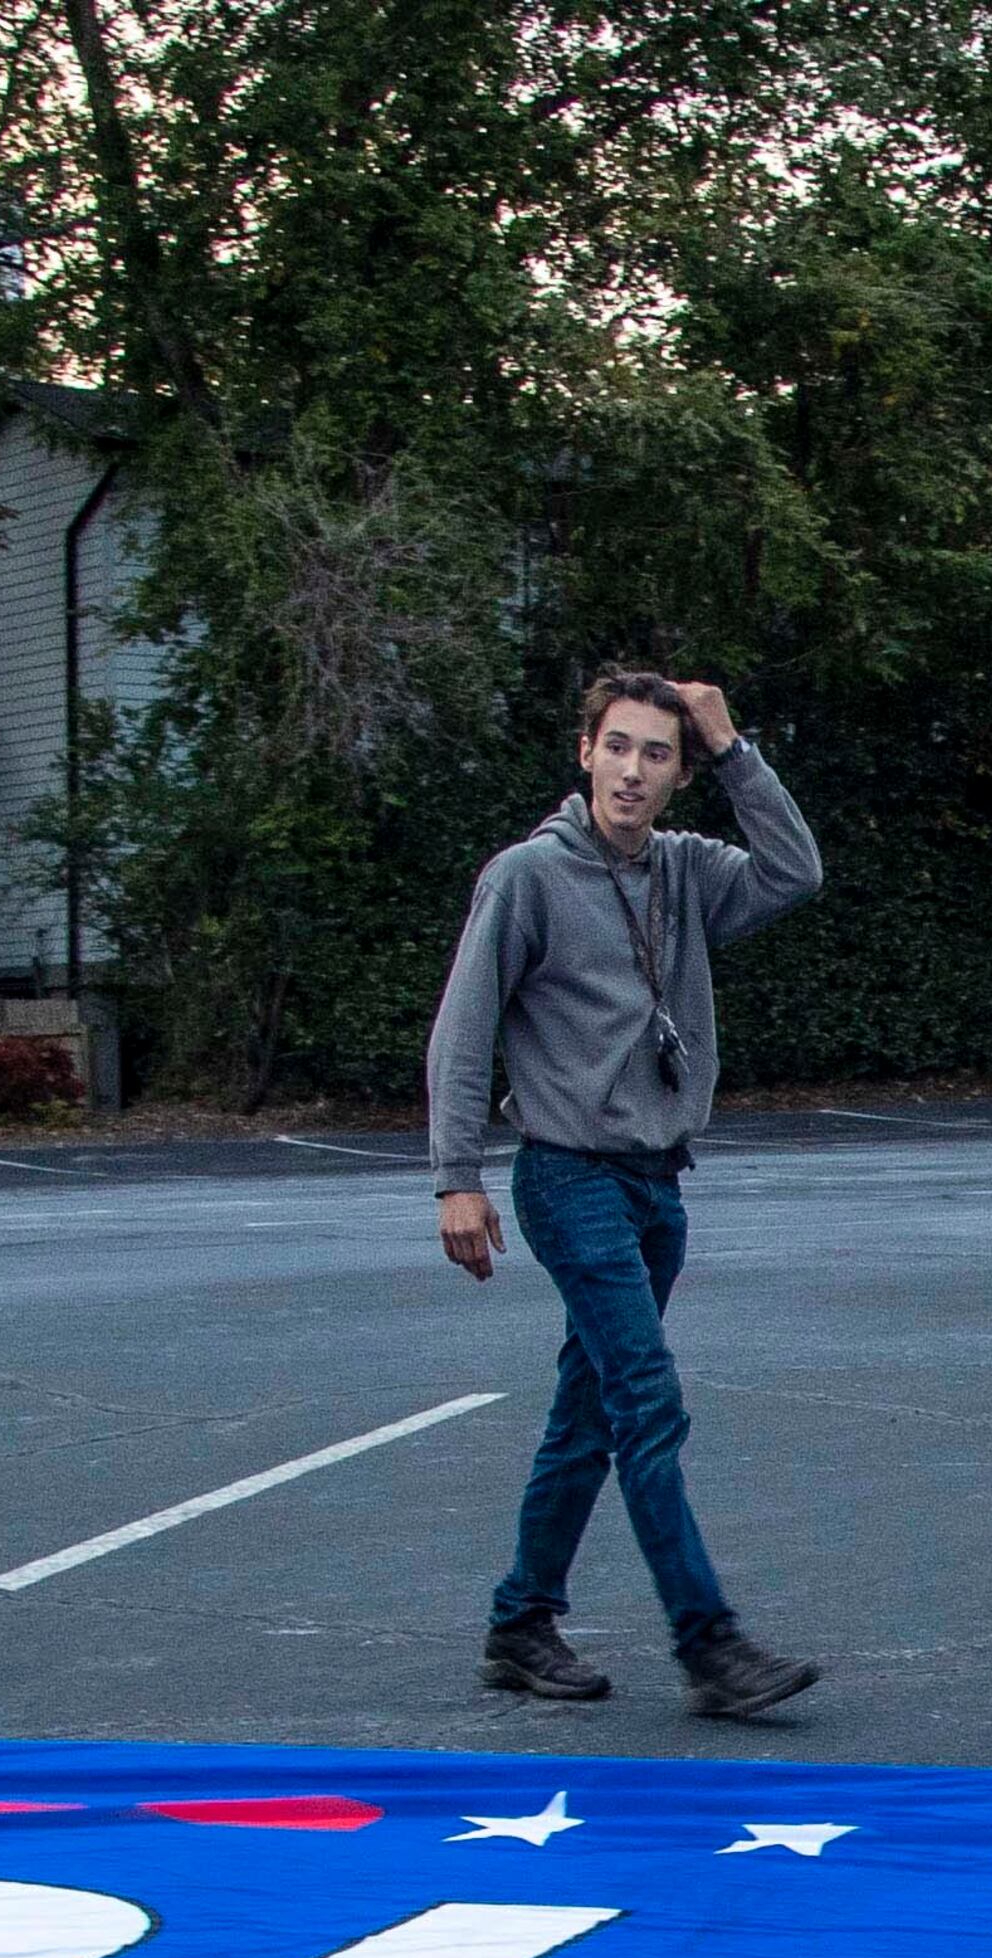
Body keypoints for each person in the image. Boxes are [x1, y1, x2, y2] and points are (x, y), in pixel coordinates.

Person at [425, 668, 826, 1717]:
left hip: (658, 1185)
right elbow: (463, 1032)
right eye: (618, 746)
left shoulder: (688, 873)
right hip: (569, 1177)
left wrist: (731, 743)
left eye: (658, 753)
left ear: (678, 775)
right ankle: (710, 1644)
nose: (633, 770)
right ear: (584, 751)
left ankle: (520, 1623)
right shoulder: (527, 877)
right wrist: (455, 1179)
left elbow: (795, 871)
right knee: (646, 1401)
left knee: (588, 1412)